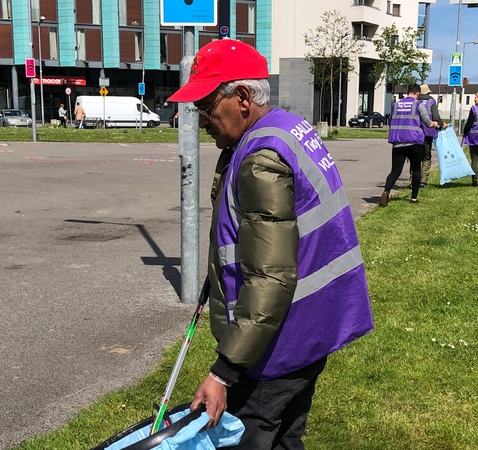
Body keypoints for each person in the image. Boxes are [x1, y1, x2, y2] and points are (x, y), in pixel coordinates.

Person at [168, 39, 374, 449]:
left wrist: (224, 371)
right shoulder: (285, 127)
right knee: (287, 437)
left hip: (277, 344)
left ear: (242, 97)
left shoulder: (260, 157)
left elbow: (271, 277)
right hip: (312, 327)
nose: (202, 121)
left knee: (254, 436)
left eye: (206, 107)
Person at [379, 84, 446, 206]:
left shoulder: (396, 105)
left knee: (395, 171)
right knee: (416, 169)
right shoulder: (418, 104)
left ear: (407, 92)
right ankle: (414, 198)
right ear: (417, 93)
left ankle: (386, 191)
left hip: (398, 142)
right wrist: (437, 124)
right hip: (414, 143)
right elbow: (428, 123)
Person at [417, 84, 445, 187]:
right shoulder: (431, 101)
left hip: (415, 133)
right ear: (427, 92)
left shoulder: (415, 101)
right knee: (426, 156)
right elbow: (436, 116)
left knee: (415, 157)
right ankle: (423, 181)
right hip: (427, 132)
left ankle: (413, 179)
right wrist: (441, 124)